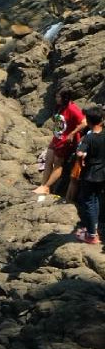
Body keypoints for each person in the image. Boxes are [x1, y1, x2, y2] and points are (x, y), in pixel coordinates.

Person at [34, 88, 86, 195]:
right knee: (48, 160)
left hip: (64, 141)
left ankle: (46, 187)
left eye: (58, 97)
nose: (56, 98)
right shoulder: (60, 106)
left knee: (58, 164)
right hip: (56, 137)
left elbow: (84, 122)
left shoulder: (72, 109)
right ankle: (43, 185)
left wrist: (72, 133)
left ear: (65, 98)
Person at [75, 105, 105, 245]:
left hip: (90, 175)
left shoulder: (89, 138)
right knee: (96, 200)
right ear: (102, 120)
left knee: (88, 202)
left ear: (88, 121)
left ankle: (92, 235)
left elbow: (80, 153)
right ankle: (94, 228)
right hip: (102, 174)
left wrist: (83, 155)